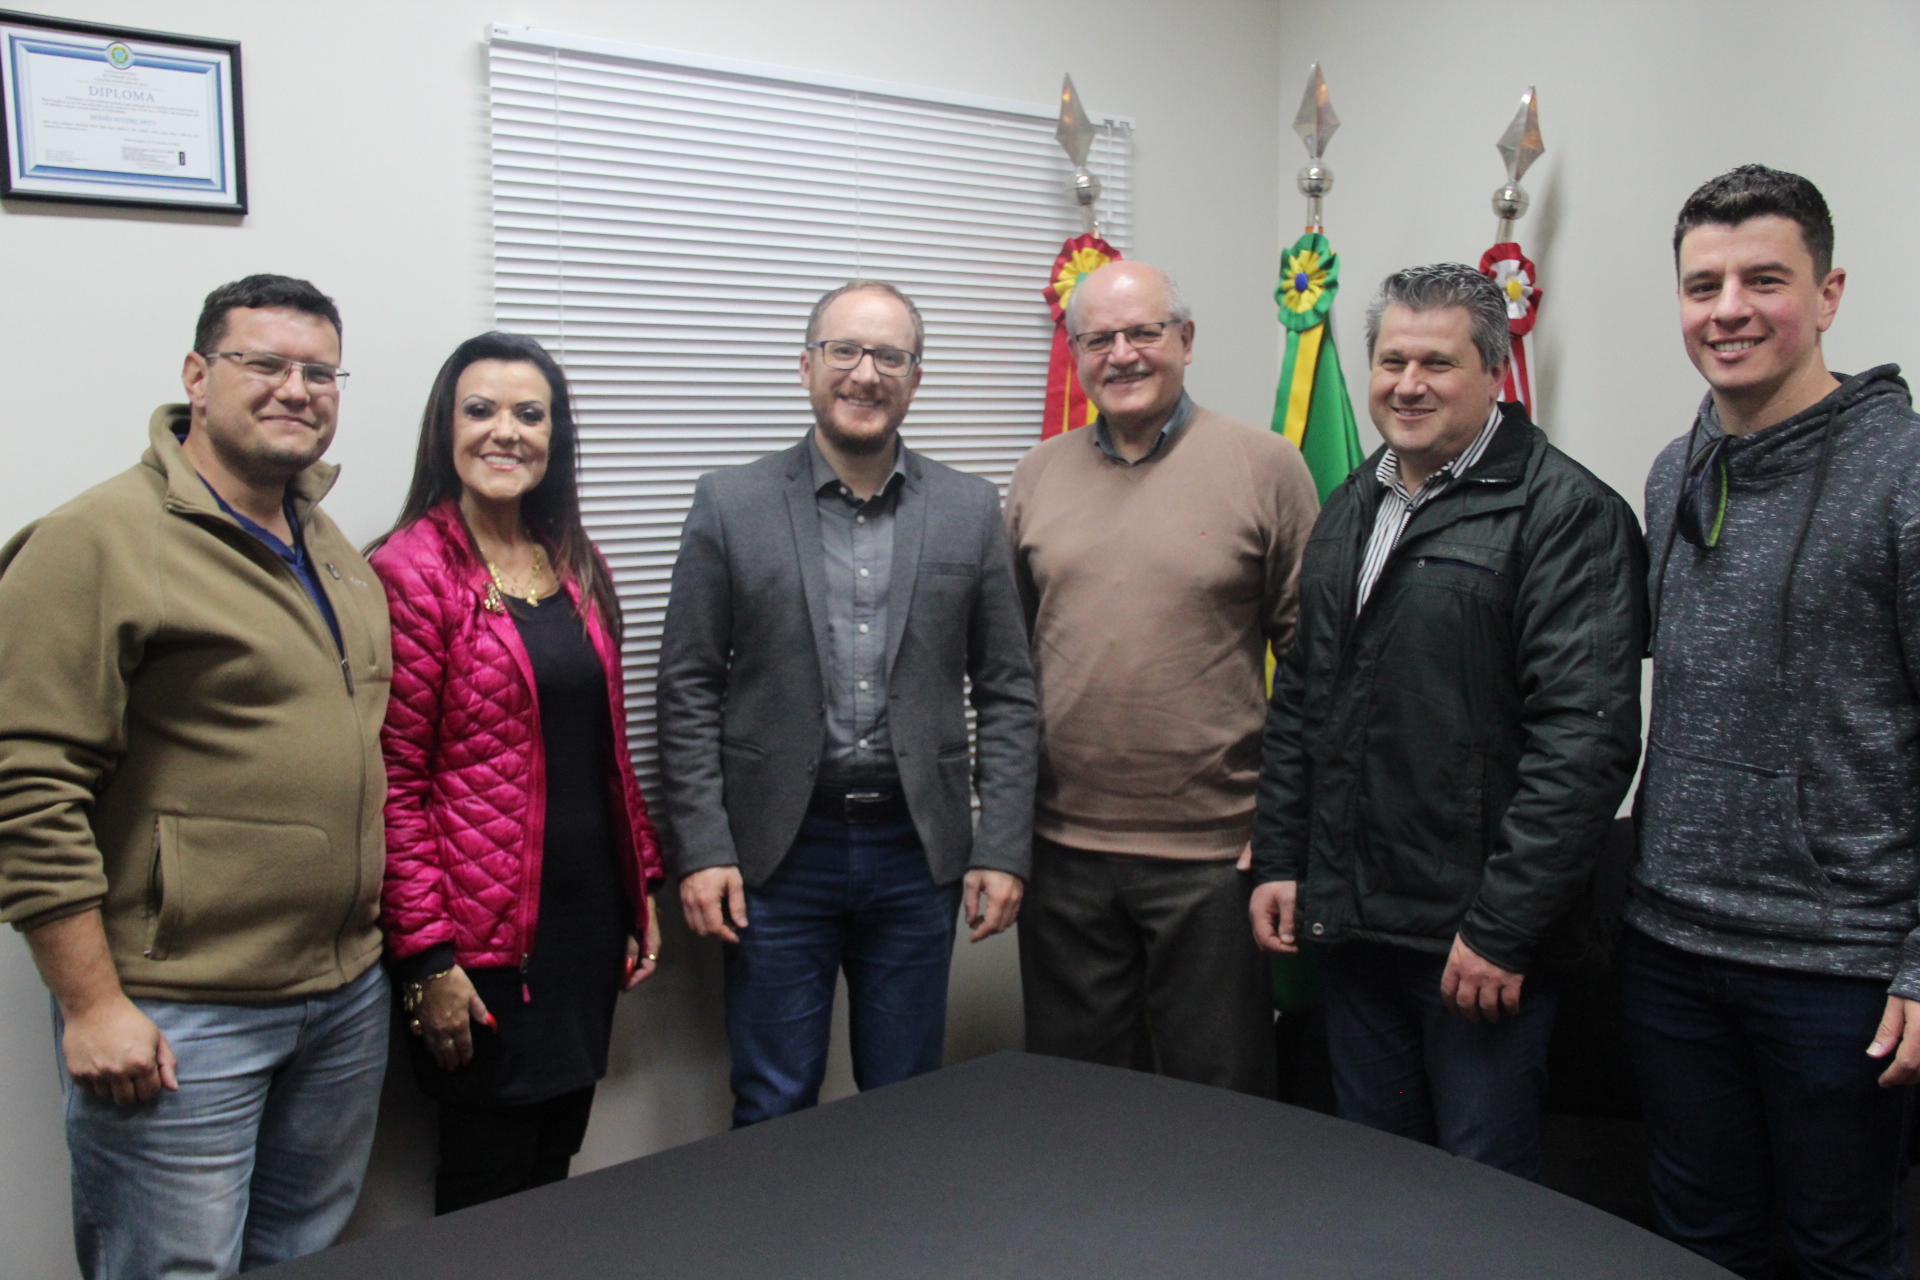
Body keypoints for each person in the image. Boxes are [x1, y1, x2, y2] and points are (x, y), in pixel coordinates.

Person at [0, 275, 392, 1278]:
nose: (294, 389)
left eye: (318, 370)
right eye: (263, 363)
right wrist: (91, 1003)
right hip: (183, 1009)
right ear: (197, 375)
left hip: (341, 992)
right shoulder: (98, 539)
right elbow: (26, 780)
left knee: (304, 1255)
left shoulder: (329, 543)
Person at [1249, 263, 1647, 1179]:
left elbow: (1583, 745)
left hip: (1475, 948)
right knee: (1380, 1180)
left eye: (1438, 361)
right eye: (1392, 360)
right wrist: (1280, 858)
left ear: (1495, 372)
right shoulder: (1355, 503)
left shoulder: (1565, 514)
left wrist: (1502, 929)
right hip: (1356, 927)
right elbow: (1306, 696)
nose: (1409, 383)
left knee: (1481, 1190)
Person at [1625, 164, 1920, 1280]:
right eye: (1703, 285)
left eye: (1764, 279)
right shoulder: (1675, 470)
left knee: (1840, 1250)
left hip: (1838, 967)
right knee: (1696, 1242)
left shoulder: (1904, 472)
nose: (1729, 309)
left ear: (1830, 293)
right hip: (1671, 944)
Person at [657, 280, 1038, 1126]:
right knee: (773, 1098)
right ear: (807, 367)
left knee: (905, 1102)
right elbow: (686, 687)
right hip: (778, 857)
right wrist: (704, 847)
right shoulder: (731, 504)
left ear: (915, 376)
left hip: (917, 853)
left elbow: (1009, 688)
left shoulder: (970, 509)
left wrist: (1003, 845)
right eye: (845, 351)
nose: (866, 374)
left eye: (890, 356)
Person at [1005, 260, 1318, 1096]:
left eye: (1143, 332)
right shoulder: (1037, 476)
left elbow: (1318, 671)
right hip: (1064, 854)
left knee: (1216, 1101)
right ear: (1075, 354)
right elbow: (1010, 667)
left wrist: (1287, 829)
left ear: (1185, 340)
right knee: (1078, 1104)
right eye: (1099, 338)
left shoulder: (1267, 466)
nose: (1123, 354)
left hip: (1215, 858)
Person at [368, 332, 664, 1213]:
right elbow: (392, 784)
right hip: (479, 945)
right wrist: (425, 958)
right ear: (446, 430)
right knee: (487, 1190)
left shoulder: (571, 558)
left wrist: (638, 884)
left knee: (552, 1168)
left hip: (580, 927)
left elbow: (602, 744)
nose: (506, 432)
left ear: (555, 435)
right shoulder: (410, 572)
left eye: (529, 414)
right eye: (481, 410)